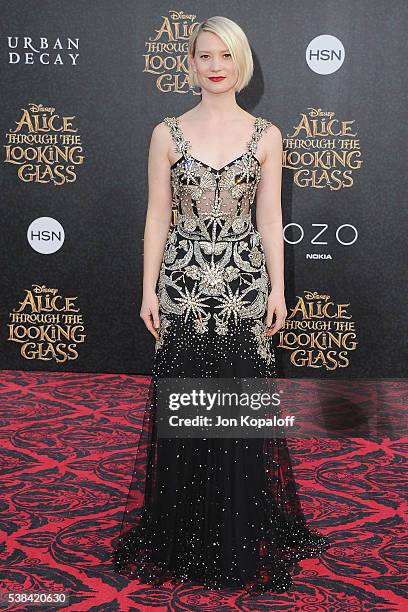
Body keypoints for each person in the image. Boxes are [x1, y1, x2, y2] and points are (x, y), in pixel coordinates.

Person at [112, 15, 331, 594]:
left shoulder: (267, 135)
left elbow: (269, 216)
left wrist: (280, 289)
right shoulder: (166, 133)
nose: (214, 65)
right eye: (204, 55)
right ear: (190, 63)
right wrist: (147, 287)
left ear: (241, 63)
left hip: (242, 287)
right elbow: (158, 214)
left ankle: (237, 530)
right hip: (183, 285)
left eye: (225, 55)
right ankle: (180, 530)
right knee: (184, 407)